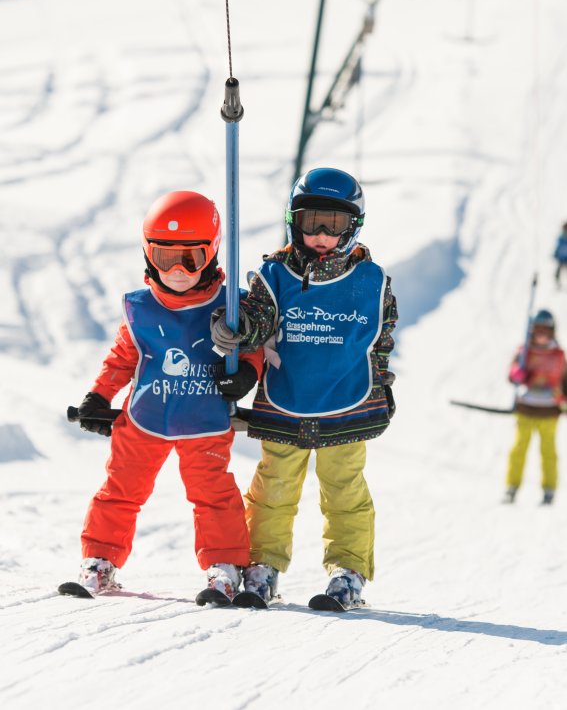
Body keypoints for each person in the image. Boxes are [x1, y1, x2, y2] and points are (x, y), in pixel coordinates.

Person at [210, 168, 397, 608]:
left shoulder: (371, 282)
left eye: (332, 225)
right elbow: (257, 321)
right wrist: (235, 329)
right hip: (286, 399)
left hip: (345, 404)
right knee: (273, 488)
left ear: (352, 227)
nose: (319, 234)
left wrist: (381, 384)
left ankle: (348, 571)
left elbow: (379, 340)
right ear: (294, 222)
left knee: (344, 491)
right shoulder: (274, 275)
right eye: (310, 220)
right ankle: (262, 566)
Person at [72, 191, 262, 599]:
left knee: (214, 495)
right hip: (144, 417)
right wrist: (99, 397)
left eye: (190, 259)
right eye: (164, 258)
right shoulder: (141, 308)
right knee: (120, 489)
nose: (178, 270)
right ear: (147, 255)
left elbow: (253, 347)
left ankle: (224, 567)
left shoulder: (231, 306)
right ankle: (100, 560)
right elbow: (123, 357)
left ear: (210, 254)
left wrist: (247, 373)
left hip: (205, 419)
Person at [504, 309, 567, 505]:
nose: (541, 335)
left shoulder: (558, 355)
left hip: (549, 411)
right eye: (538, 330)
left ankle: (549, 490)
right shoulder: (525, 352)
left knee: (548, 451)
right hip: (526, 408)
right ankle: (511, 488)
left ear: (552, 332)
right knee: (519, 448)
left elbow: (565, 381)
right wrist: (517, 374)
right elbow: (512, 374)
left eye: (545, 331)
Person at [553, 222, 567, 289]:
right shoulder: (561, 238)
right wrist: (555, 253)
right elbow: (558, 247)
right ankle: (558, 284)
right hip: (561, 259)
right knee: (558, 272)